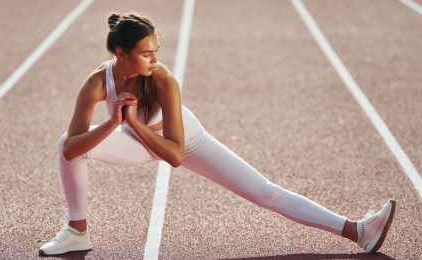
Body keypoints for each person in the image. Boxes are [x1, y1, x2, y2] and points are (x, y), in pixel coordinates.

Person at [38, 12, 396, 256]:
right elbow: (71, 147)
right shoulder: (98, 82)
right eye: (146, 53)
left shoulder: (163, 79)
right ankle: (77, 232)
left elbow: (175, 156)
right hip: (133, 143)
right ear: (121, 53)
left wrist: (132, 123)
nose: (154, 59)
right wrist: (113, 124)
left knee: (263, 192)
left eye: (155, 51)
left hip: (185, 140)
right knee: (65, 144)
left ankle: (357, 231)